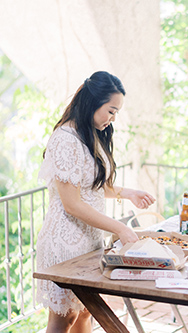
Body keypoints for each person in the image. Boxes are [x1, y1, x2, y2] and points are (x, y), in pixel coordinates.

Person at [36, 71, 156, 333]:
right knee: (64, 317)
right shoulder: (65, 139)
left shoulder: (89, 133)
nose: (113, 118)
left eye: (116, 113)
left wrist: (128, 193)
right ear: (93, 101)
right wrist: (120, 228)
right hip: (65, 241)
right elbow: (73, 204)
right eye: (111, 111)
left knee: (85, 314)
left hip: (88, 241)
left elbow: (93, 185)